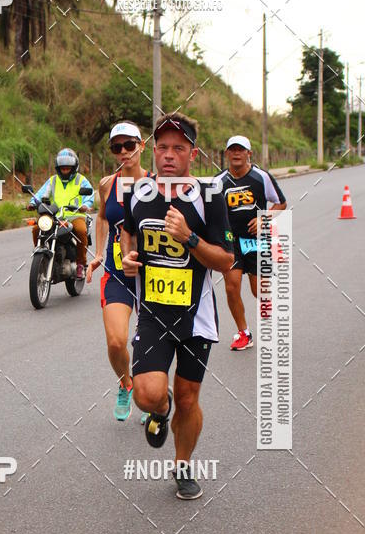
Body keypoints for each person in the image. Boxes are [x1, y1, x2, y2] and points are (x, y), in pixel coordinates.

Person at [121, 113, 234, 500]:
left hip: (195, 317)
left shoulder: (209, 196)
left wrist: (189, 238)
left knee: (188, 398)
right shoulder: (138, 192)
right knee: (146, 394)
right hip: (153, 313)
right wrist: (127, 256)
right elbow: (127, 231)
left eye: (178, 148)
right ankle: (159, 409)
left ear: (193, 154)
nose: (169, 155)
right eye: (163, 147)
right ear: (154, 150)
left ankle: (182, 465)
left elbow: (226, 260)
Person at [86, 120, 151, 422]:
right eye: (117, 147)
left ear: (142, 146)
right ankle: (126, 383)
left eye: (129, 145)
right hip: (116, 273)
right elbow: (102, 218)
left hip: (152, 275)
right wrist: (99, 253)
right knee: (115, 342)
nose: (124, 151)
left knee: (147, 343)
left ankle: (150, 396)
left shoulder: (155, 184)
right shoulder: (107, 184)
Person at [214, 135, 287, 351]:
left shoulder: (261, 177)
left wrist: (264, 218)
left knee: (259, 290)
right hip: (231, 242)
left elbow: (281, 204)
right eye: (232, 150)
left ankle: (272, 322)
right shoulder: (218, 181)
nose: (236, 153)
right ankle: (244, 333)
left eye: (241, 150)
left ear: (249, 153)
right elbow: (210, 212)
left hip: (256, 240)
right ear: (227, 153)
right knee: (232, 287)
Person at [27, 148, 94, 278]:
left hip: (75, 215)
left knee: (81, 231)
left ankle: (81, 264)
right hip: (54, 216)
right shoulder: (52, 180)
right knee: (37, 228)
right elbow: (40, 194)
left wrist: (85, 205)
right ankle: (40, 256)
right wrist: (33, 203)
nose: (65, 170)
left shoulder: (81, 180)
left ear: (74, 167)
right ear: (58, 168)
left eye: (68, 168)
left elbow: (89, 195)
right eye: (62, 168)